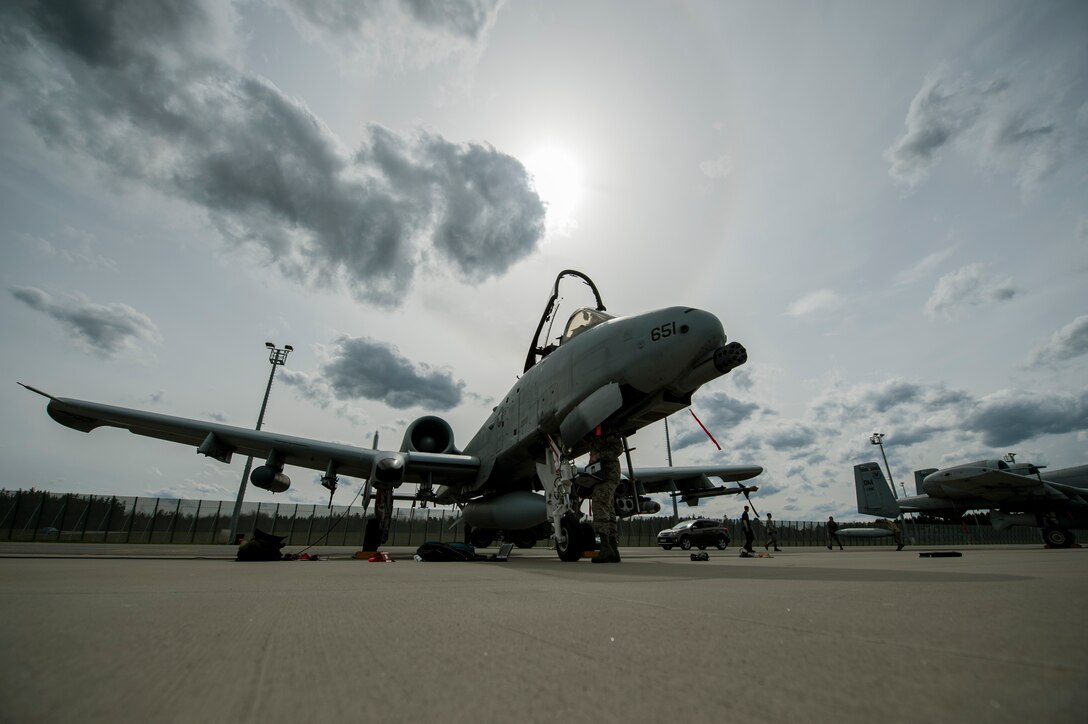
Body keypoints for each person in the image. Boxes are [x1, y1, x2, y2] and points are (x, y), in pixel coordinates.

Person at [588, 424, 624, 563]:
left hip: (609, 474)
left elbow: (618, 449)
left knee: (599, 505)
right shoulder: (595, 432)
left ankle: (605, 548)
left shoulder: (607, 429)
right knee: (609, 510)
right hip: (601, 475)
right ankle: (613, 549)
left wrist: (598, 456)